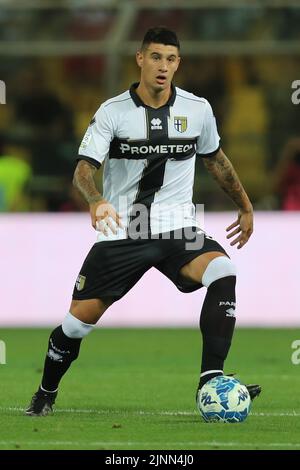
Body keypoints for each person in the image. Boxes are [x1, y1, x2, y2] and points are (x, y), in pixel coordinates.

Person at [25, 27, 261, 416]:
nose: (163, 66)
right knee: (76, 325)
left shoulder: (197, 109)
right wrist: (97, 199)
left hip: (177, 226)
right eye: (155, 57)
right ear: (139, 59)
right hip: (125, 230)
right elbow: (83, 171)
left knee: (222, 270)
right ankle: (45, 391)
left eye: (170, 59)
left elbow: (216, 160)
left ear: (178, 64)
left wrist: (245, 204)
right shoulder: (113, 112)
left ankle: (211, 381)